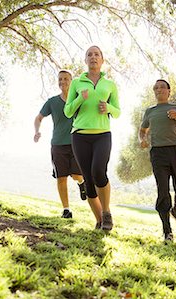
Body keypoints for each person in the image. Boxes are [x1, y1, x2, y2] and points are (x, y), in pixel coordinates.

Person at [64, 45, 120, 231]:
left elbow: (118, 112)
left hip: (102, 135)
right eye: (89, 55)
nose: (93, 57)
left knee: (98, 172)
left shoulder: (110, 84)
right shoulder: (77, 82)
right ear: (85, 60)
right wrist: (80, 98)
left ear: (102, 60)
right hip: (80, 136)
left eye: (97, 54)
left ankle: (106, 212)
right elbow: (68, 111)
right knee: (88, 180)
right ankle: (99, 221)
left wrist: (109, 108)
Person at [139, 79, 176, 243]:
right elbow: (142, 130)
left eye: (162, 87)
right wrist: (142, 139)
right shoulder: (150, 111)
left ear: (169, 91)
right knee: (162, 191)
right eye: (156, 87)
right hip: (158, 153)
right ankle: (167, 231)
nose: (159, 90)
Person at [33, 70, 87, 219]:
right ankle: (66, 209)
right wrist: (37, 131)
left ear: (71, 81)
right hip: (58, 144)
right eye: (60, 79)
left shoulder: (78, 100)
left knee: (76, 174)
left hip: (76, 143)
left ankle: (82, 183)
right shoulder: (52, 102)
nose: (62, 82)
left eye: (65, 79)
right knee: (61, 177)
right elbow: (38, 118)